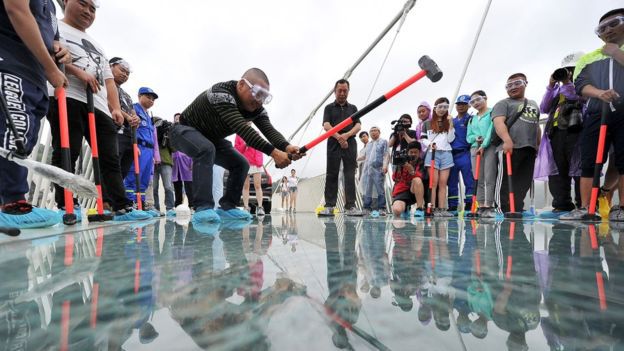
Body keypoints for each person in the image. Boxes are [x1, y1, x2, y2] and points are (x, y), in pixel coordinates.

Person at [46, 0, 150, 221]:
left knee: (109, 157)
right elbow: (48, 54)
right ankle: (66, 203)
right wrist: (76, 72)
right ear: (65, 2)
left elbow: (109, 81)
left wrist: (115, 108)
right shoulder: (54, 25)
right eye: (83, 4)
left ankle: (120, 205)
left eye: (93, 9)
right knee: (67, 151)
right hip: (67, 95)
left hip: (99, 106)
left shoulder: (98, 45)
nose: (88, 11)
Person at [170, 67, 299, 224]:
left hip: (210, 138)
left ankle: (227, 206)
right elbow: (243, 129)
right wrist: (274, 153)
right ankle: (202, 207)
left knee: (241, 163)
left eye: (264, 97)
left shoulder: (256, 109)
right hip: (182, 130)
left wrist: (286, 146)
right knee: (206, 149)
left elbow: (269, 130)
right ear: (241, 85)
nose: (259, 100)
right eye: (257, 93)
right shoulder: (221, 93)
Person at [0, 0, 70, 228]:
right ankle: (13, 203)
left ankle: (14, 203)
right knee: (13, 132)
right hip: (10, 61)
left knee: (26, 139)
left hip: (36, 76)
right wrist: (52, 69)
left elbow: (53, 39)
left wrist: (60, 51)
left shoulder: (50, 6)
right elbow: (16, 9)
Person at [562, 8, 624, 222]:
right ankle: (586, 207)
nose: (608, 30)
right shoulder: (589, 58)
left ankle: (622, 208)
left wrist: (616, 53)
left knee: (623, 160)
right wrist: (599, 93)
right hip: (597, 114)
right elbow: (580, 84)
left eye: (614, 24)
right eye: (602, 28)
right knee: (589, 160)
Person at [541, 53, 584, 216]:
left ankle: (583, 204)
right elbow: (544, 107)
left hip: (577, 130)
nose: (569, 73)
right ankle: (561, 204)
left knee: (579, 168)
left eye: (572, 69)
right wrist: (551, 85)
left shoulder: (584, 84)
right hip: (556, 132)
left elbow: (575, 96)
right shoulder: (557, 89)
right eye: (566, 70)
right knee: (558, 169)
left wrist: (566, 82)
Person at [492, 73, 541, 214]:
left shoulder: (533, 104)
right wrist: (507, 140)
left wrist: (537, 145)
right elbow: (498, 122)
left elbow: (536, 126)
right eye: (509, 85)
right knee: (506, 181)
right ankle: (502, 209)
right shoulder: (503, 103)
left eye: (517, 83)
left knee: (524, 181)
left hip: (529, 148)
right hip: (509, 148)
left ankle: (517, 208)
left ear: (525, 83)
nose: (513, 87)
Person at [318, 79, 362, 216]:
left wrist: (347, 135)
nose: (342, 93)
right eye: (339, 90)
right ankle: (330, 206)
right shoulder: (329, 108)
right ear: (334, 91)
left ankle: (350, 206)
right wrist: (339, 137)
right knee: (332, 173)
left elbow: (358, 126)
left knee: (349, 174)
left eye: (345, 90)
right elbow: (326, 125)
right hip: (333, 142)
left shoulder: (353, 108)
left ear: (348, 91)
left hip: (350, 142)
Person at [123, 87, 160, 216]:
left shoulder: (149, 116)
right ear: (139, 96)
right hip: (139, 147)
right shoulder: (134, 109)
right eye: (148, 97)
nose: (151, 100)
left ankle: (141, 204)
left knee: (144, 179)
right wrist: (134, 145)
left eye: (153, 99)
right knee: (133, 176)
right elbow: (130, 129)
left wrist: (154, 155)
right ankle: (129, 203)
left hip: (149, 151)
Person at [420, 97, 455, 217]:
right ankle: (433, 208)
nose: (442, 110)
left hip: (446, 153)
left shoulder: (449, 121)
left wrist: (450, 124)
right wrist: (430, 144)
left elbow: (451, 139)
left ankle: (442, 208)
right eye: (440, 107)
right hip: (432, 153)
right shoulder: (427, 123)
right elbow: (423, 138)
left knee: (443, 182)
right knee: (433, 182)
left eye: (445, 107)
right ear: (435, 108)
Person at [466, 90, 496, 218]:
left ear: (485, 98)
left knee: (489, 176)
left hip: (488, 147)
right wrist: (476, 139)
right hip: (475, 148)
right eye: (472, 101)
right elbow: (469, 136)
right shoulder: (472, 119)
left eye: (478, 99)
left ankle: (489, 205)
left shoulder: (492, 113)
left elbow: (491, 130)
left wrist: (484, 144)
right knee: (477, 177)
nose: (475, 103)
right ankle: (480, 205)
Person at [110, 57, 140, 179]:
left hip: (129, 136)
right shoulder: (105, 85)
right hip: (114, 132)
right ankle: (104, 198)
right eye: (122, 70)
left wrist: (136, 119)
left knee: (123, 172)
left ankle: (115, 197)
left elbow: (133, 113)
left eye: (127, 73)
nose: (125, 75)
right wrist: (127, 117)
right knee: (112, 168)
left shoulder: (127, 95)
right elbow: (108, 104)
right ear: (110, 66)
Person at [448, 95, 474, 213]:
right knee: (452, 181)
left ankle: (470, 204)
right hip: (451, 155)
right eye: (458, 104)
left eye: (464, 104)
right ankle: (453, 205)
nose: (461, 106)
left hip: (465, 153)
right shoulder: (451, 121)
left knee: (469, 180)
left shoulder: (471, 119)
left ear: (469, 105)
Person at [359, 126, 389, 216]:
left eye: (375, 130)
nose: (373, 132)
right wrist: (354, 159)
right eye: (371, 131)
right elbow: (364, 156)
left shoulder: (383, 142)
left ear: (379, 132)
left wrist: (385, 165)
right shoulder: (369, 144)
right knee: (368, 189)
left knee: (380, 189)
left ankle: (382, 208)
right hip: (368, 170)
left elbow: (386, 154)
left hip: (378, 169)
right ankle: (366, 208)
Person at [391, 142, 425, 217]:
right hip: (403, 190)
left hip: (416, 190)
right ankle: (406, 207)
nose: (413, 154)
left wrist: (412, 171)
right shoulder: (402, 161)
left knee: (417, 180)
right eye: (411, 152)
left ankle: (419, 208)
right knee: (397, 210)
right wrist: (401, 165)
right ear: (407, 153)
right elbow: (395, 178)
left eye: (415, 152)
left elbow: (423, 177)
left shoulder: (422, 162)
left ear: (419, 153)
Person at [235, 133, 265, 216]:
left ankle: (260, 207)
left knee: (258, 185)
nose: (249, 121)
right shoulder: (238, 134)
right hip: (244, 162)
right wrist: (244, 144)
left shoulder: (255, 133)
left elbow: (261, 146)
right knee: (245, 186)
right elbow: (236, 149)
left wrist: (259, 160)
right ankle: (246, 207)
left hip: (256, 161)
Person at [153, 116, 176, 216]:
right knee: (153, 187)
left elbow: (174, 149)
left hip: (166, 162)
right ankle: (155, 208)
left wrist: (167, 138)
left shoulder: (167, 134)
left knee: (168, 186)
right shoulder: (151, 133)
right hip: (153, 162)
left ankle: (170, 208)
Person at [171, 113, 194, 209]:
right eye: (176, 119)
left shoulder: (188, 132)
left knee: (189, 185)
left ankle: (192, 205)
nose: (177, 120)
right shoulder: (171, 131)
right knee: (177, 185)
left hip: (187, 161)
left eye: (179, 119)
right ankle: (178, 206)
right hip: (175, 161)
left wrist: (192, 161)